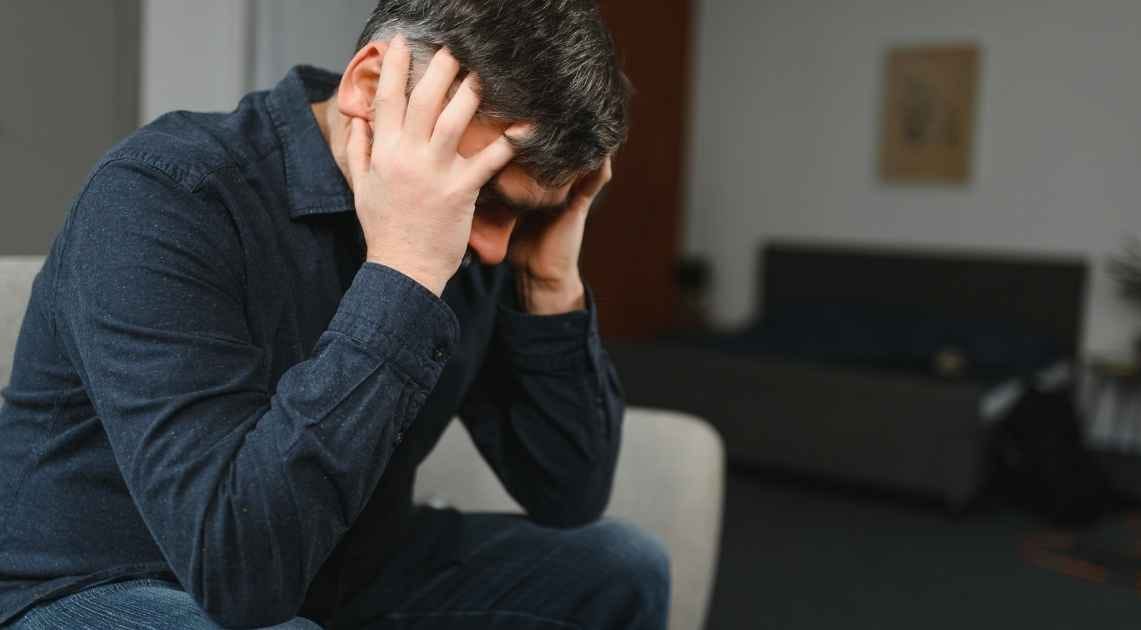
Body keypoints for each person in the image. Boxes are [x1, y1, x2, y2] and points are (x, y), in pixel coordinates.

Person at [0, 1, 670, 628]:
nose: (493, 247)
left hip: (338, 569)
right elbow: (237, 571)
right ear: (370, 85)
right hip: (103, 581)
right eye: (484, 198)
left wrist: (545, 280)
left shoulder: (492, 243)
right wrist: (407, 270)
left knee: (618, 569)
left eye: (525, 212)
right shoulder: (166, 195)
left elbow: (567, 494)